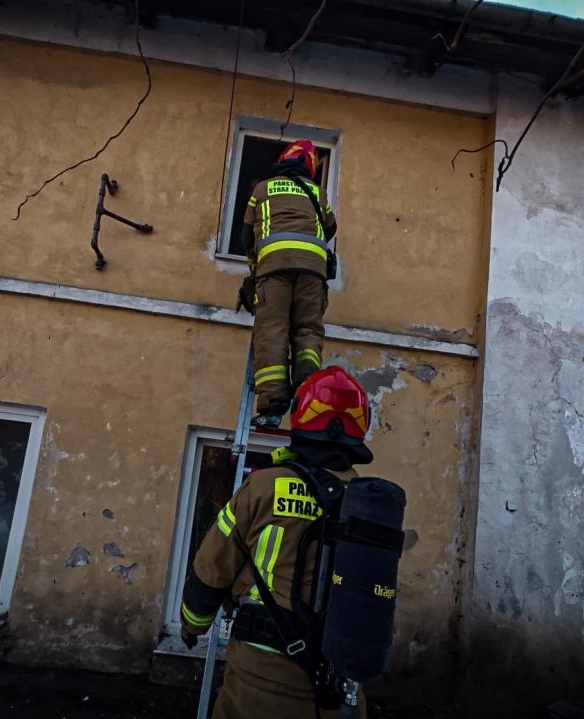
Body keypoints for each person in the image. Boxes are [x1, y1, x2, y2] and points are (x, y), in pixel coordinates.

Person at [179, 366, 372, 719]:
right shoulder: (366, 504)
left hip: (259, 680)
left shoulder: (264, 486)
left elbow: (213, 565)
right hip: (338, 691)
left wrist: (193, 625)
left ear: (301, 416)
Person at [240, 140, 337, 429]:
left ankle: (273, 405)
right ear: (311, 166)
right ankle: (306, 393)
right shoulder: (317, 192)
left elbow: (246, 234)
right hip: (313, 272)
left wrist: (254, 266)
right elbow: (330, 227)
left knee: (273, 330)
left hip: (275, 268)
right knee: (308, 330)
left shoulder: (262, 189)